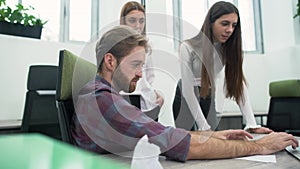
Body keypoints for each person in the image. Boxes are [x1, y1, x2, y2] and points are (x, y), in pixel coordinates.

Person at [71, 25, 298, 162]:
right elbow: (176, 143)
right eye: (136, 64)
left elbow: (161, 132)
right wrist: (260, 146)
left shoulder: (101, 95)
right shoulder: (102, 99)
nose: (141, 74)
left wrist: (216, 135)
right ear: (110, 61)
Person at [173, 1, 273, 133]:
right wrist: (203, 126)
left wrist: (251, 123)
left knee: (215, 140)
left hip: (207, 94)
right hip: (185, 96)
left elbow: (238, 85)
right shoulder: (188, 47)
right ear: (211, 23)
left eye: (234, 25)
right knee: (188, 142)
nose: (230, 30)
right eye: (225, 24)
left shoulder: (228, 49)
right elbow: (187, 91)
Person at [119, 1, 163, 119]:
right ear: (124, 22)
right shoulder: (116, 47)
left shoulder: (146, 48)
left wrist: (157, 96)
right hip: (127, 102)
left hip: (148, 105)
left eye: (141, 21)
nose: (138, 25)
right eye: (132, 20)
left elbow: (149, 79)